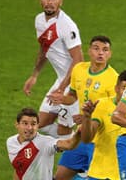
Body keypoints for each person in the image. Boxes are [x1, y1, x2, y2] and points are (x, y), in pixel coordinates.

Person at [49, 35, 119, 180]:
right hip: (80, 135)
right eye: (96, 48)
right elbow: (73, 96)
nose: (101, 53)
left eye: (105, 50)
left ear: (110, 54)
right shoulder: (79, 69)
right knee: (60, 177)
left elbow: (114, 111)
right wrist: (62, 99)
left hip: (100, 139)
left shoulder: (113, 79)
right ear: (89, 51)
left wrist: (88, 117)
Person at [23, 0, 84, 138]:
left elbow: (79, 60)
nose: (50, 2)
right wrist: (34, 75)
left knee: (63, 131)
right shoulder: (39, 20)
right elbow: (44, 47)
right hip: (61, 80)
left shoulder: (66, 25)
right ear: (40, 0)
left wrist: (62, 88)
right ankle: (79, 139)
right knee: (42, 124)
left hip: (74, 84)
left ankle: (83, 144)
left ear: (60, 1)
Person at [80, 70, 126, 180]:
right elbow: (86, 139)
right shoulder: (102, 105)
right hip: (100, 173)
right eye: (124, 88)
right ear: (116, 89)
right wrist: (86, 117)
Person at [6, 107, 81, 180]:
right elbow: (19, 168)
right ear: (17, 124)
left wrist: (80, 130)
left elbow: (69, 144)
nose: (29, 128)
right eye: (25, 123)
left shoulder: (45, 142)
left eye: (33, 124)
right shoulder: (11, 142)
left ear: (38, 126)